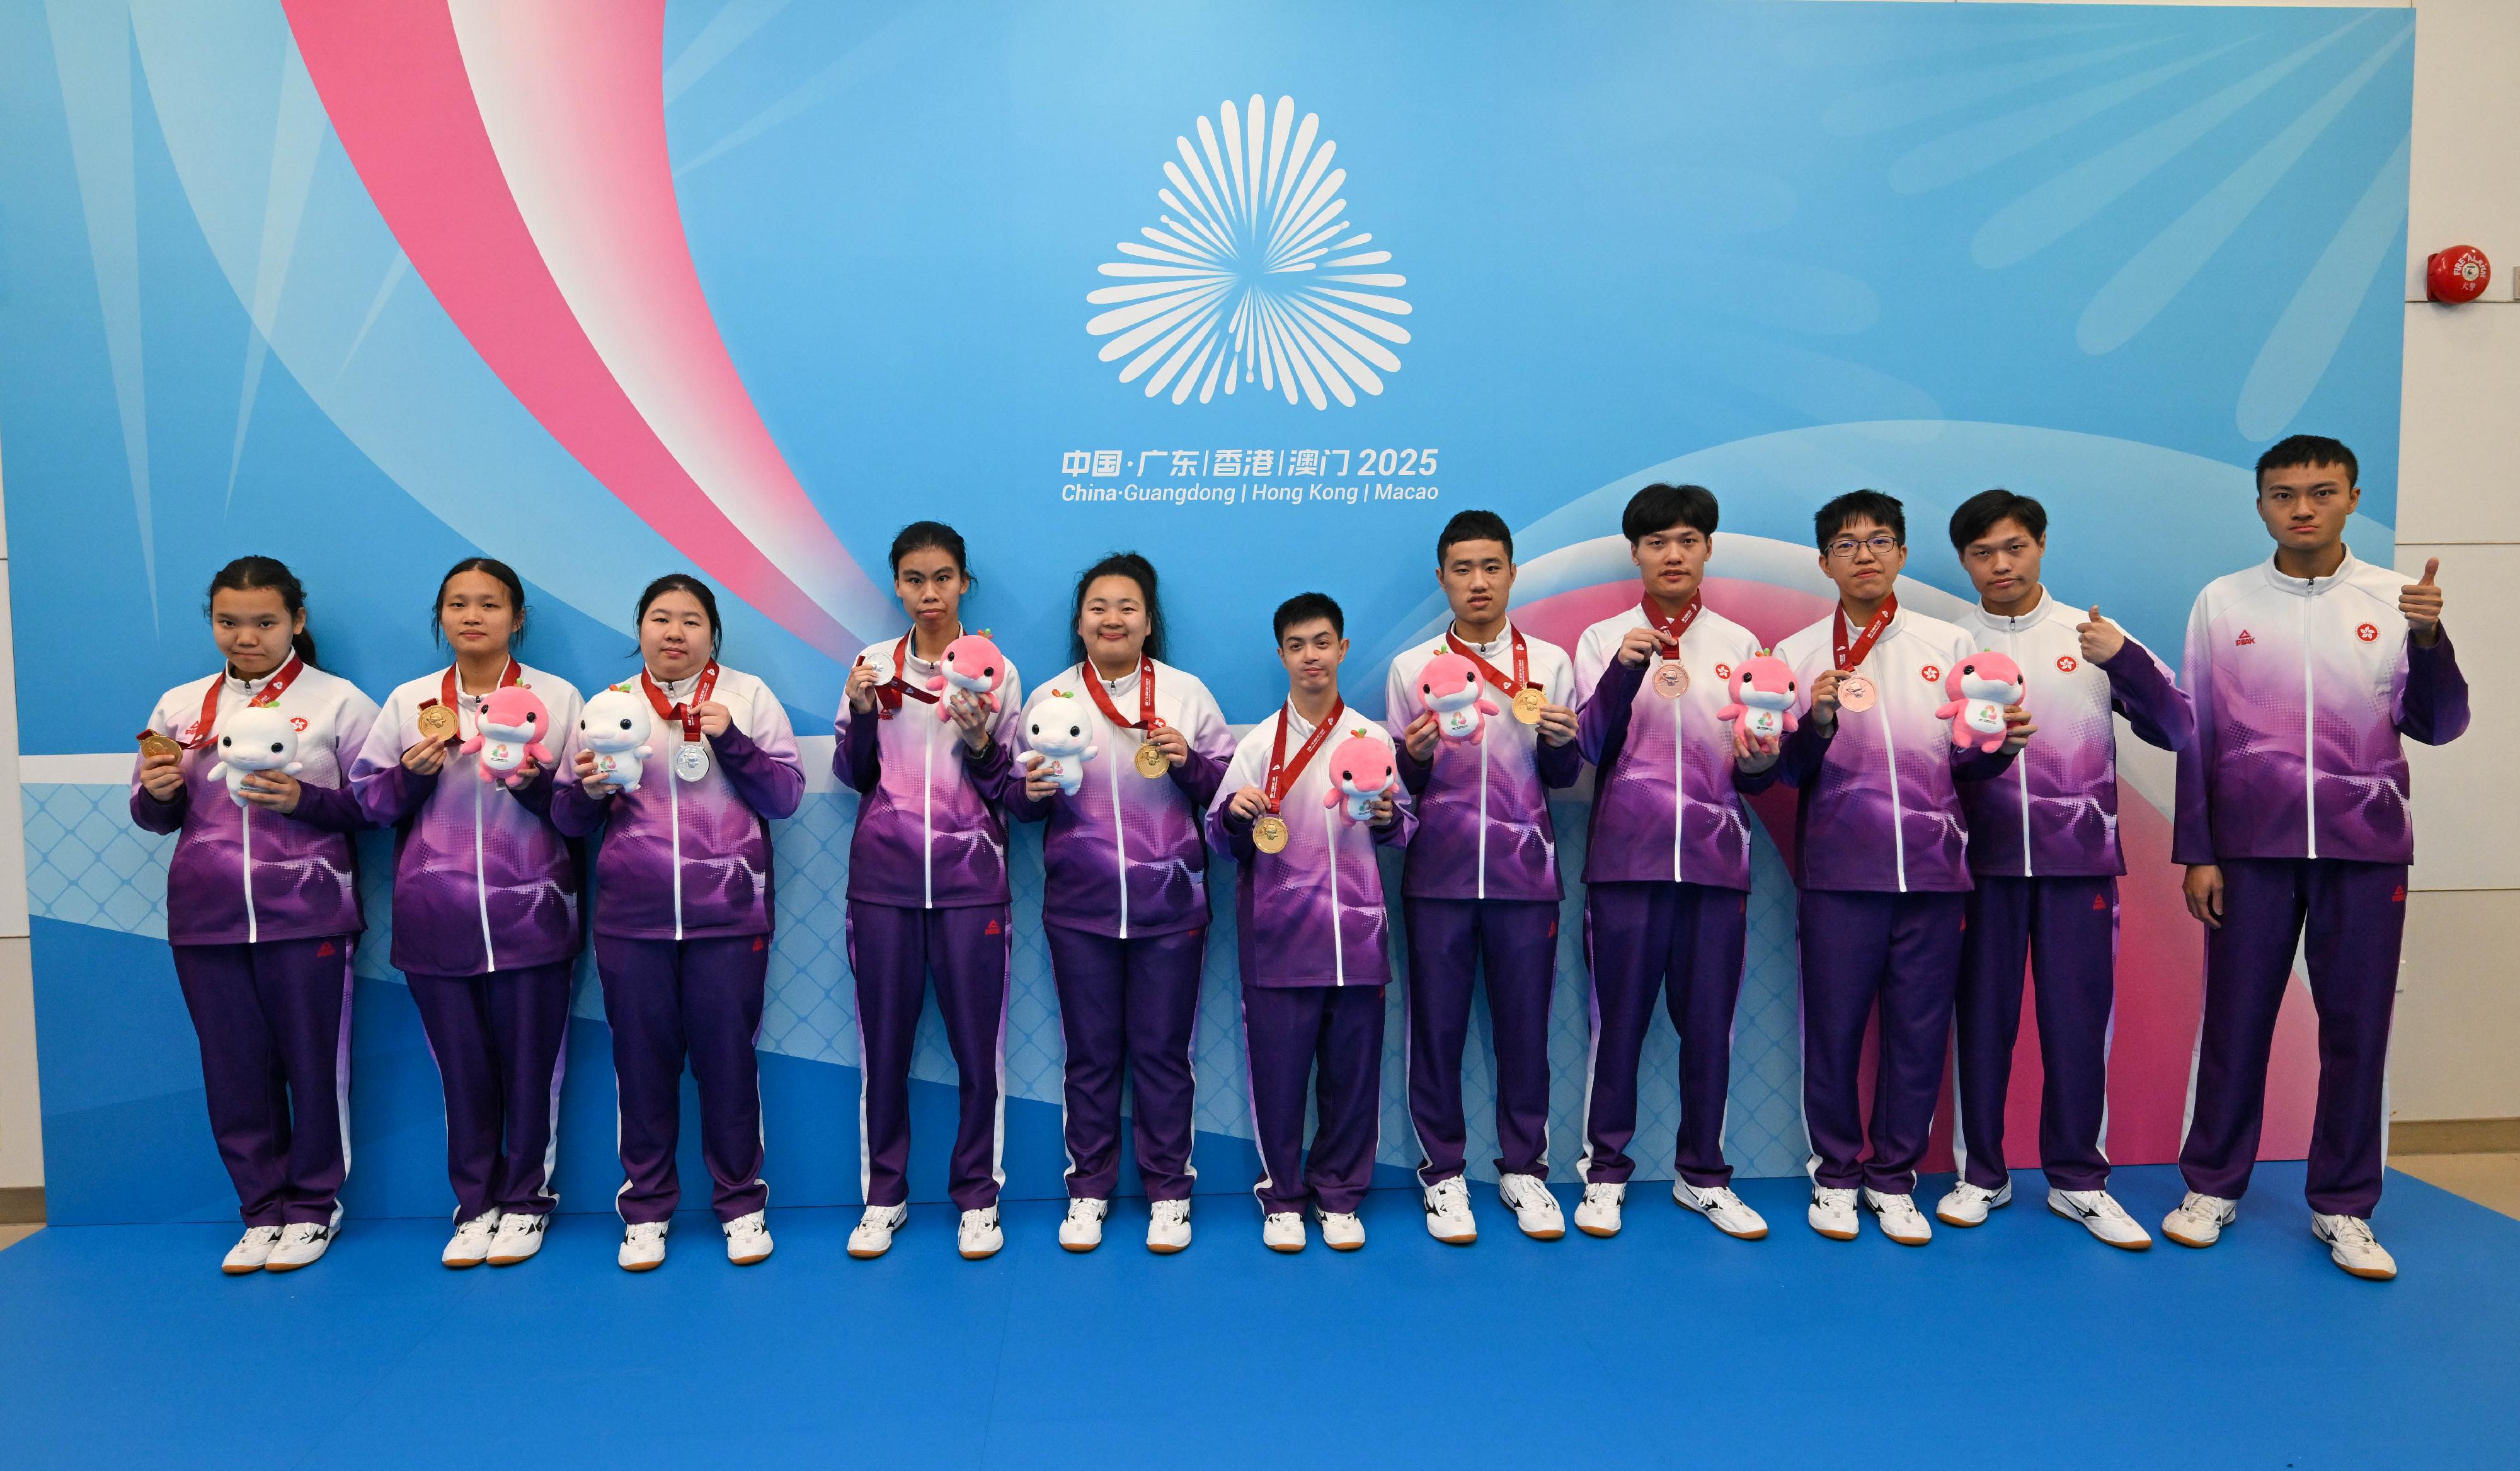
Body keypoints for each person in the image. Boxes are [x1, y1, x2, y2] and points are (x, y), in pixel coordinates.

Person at [2166, 435, 2466, 1281]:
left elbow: (2438, 724)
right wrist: (2199, 850)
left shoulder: (2399, 597)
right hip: (2250, 851)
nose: (2303, 506)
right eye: (2284, 492)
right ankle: (2211, 1186)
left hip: (2365, 850)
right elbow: (2199, 734)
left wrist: (2431, 641)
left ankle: (2344, 1205)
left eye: (2322, 491)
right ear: (2261, 503)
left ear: (2353, 498)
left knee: (2357, 1030)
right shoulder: (2223, 603)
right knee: (2235, 1020)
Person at [1774, 491, 2032, 1246]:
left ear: (1903, 555)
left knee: (1919, 1032)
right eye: (1847, 544)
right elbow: (1779, 774)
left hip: (1934, 873)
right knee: (1833, 1030)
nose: (1865, 555)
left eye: (1881, 540)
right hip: (1837, 876)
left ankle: (1893, 1177)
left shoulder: (1949, 647)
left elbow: (1967, 763)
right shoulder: (1794, 654)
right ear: (1824, 562)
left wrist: (2001, 745)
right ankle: (1834, 1174)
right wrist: (1815, 723)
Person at [1939, 492, 2192, 1249]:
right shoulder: (1947, 644)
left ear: (2041, 545)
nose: (2001, 564)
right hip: (1977, 870)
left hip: (2078, 867)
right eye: (1983, 553)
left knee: (2077, 1027)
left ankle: (2079, 1181)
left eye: (2014, 547)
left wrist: (2127, 662)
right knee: (1981, 1026)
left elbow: (2181, 726)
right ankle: (1980, 1175)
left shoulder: (2091, 639)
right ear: (1964, 562)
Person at [131, 556, 378, 1274]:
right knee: (233, 1070)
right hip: (205, 921)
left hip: (310, 915)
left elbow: (375, 807)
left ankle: (312, 1209)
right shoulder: (180, 706)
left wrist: (305, 799)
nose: (246, 637)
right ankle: (260, 1210)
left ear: (296, 622)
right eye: (229, 622)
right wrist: (158, 790)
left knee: (313, 1065)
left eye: (265, 622)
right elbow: (154, 817)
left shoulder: (339, 702)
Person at [553, 574, 803, 1273]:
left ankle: (741, 1204)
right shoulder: (610, 705)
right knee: (641, 1065)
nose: (673, 633)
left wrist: (735, 743)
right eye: (660, 619)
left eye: (690, 621)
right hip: (632, 922)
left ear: (712, 634)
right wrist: (588, 790)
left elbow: (784, 795)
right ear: (639, 630)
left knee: (728, 1063)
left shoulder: (747, 697)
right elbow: (568, 820)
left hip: (729, 917)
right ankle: (647, 1207)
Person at [351, 558, 585, 1269]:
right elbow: (368, 804)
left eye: (489, 604)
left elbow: (582, 813)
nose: (472, 615)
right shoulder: (410, 701)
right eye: (457, 603)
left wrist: (535, 783)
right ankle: (475, 1204)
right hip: (436, 919)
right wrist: (409, 776)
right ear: (441, 617)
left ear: (517, 618)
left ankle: (525, 1203)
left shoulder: (560, 697)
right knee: (461, 1072)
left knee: (531, 1069)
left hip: (534, 917)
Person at [1568, 484, 1782, 1242]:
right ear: (1635, 553)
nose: (1672, 554)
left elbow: (1759, 767)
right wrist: (1623, 671)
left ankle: (1703, 1174)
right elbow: (1585, 747)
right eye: (1657, 542)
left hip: (1717, 865)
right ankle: (1604, 1173)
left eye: (1687, 540)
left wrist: (1761, 759)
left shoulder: (1742, 644)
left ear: (1707, 550)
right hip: (1626, 863)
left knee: (1708, 1028)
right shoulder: (1601, 639)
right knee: (1616, 1025)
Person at [1007, 552, 1234, 1254]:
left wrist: (1188, 763)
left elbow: (1228, 794)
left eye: (1127, 606)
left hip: (1172, 906)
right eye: (1099, 606)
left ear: (1147, 621)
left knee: (1165, 1055)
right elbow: (1015, 801)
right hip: (1080, 910)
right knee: (1092, 1055)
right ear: (1080, 622)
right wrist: (1029, 794)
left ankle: (1169, 1191)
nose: (1112, 617)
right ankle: (1089, 1189)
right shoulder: (1048, 699)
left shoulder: (1185, 693)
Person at [1386, 511, 1581, 1245]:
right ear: (1441, 578)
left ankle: (1524, 1169)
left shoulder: (1552, 663)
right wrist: (1413, 755)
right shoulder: (1412, 669)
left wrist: (1564, 745)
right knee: (1434, 1030)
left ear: (1511, 573)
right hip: (1435, 877)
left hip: (1524, 879)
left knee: (1523, 1030)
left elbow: (1559, 776)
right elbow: (1397, 786)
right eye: (1462, 569)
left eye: (1490, 566)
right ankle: (1442, 1173)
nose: (1477, 581)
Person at [835, 522, 1027, 1261]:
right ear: (897, 587)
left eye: (943, 577)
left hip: (972, 886)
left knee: (980, 1053)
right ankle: (884, 1197)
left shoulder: (995, 671)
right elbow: (855, 775)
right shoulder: (868, 667)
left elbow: (1010, 784)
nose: (929, 593)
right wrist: (858, 713)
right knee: (883, 1051)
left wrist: (980, 743)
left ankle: (977, 1195)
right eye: (914, 579)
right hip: (881, 886)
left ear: (964, 584)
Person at [1208, 593, 1414, 1252]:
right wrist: (1236, 812)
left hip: (1356, 941)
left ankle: (1340, 1195)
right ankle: (1283, 1198)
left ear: (1343, 649)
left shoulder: (1374, 737)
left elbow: (1405, 825)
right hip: (1277, 941)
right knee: (1279, 1077)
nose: (1310, 656)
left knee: (1352, 1078)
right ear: (1282, 655)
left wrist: (1386, 819)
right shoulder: (1257, 743)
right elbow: (1218, 834)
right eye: (1297, 645)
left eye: (1322, 642)